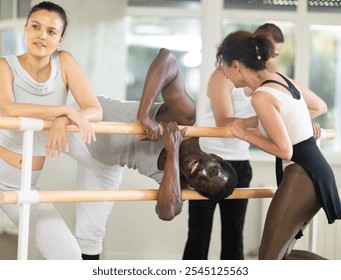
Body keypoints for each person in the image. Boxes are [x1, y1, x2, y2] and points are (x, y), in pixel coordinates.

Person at [57, 48, 238, 260]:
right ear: (215, 157)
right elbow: (167, 59)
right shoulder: (185, 117)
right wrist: (144, 115)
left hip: (104, 164)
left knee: (90, 236)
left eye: (204, 184)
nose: (202, 174)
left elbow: (167, 212)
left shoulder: (181, 181)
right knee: (28, 137)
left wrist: (173, 153)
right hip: (86, 125)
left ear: (197, 188)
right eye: (213, 170)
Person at [218, 30, 341, 259]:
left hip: (303, 174)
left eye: (222, 66)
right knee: (279, 257)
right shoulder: (278, 80)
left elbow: (285, 150)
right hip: (310, 172)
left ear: (235, 65)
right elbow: (298, 115)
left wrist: (244, 135)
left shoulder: (261, 96)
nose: (224, 75)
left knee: (268, 259)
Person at [0, 1, 102, 259]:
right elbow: (9, 109)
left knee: (68, 257)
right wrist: (65, 111)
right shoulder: (4, 65)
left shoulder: (64, 62)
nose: (41, 35)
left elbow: (94, 109)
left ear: (60, 39)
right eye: (35, 26)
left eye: (51, 31)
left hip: (23, 183)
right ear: (25, 29)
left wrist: (63, 119)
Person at [182, 23, 284, 260]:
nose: (271, 57)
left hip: (240, 163)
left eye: (276, 54)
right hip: (209, 162)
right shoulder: (223, 75)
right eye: (269, 50)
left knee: (233, 235)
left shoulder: (265, 78)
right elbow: (224, 120)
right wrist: (262, 120)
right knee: (199, 233)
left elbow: (288, 106)